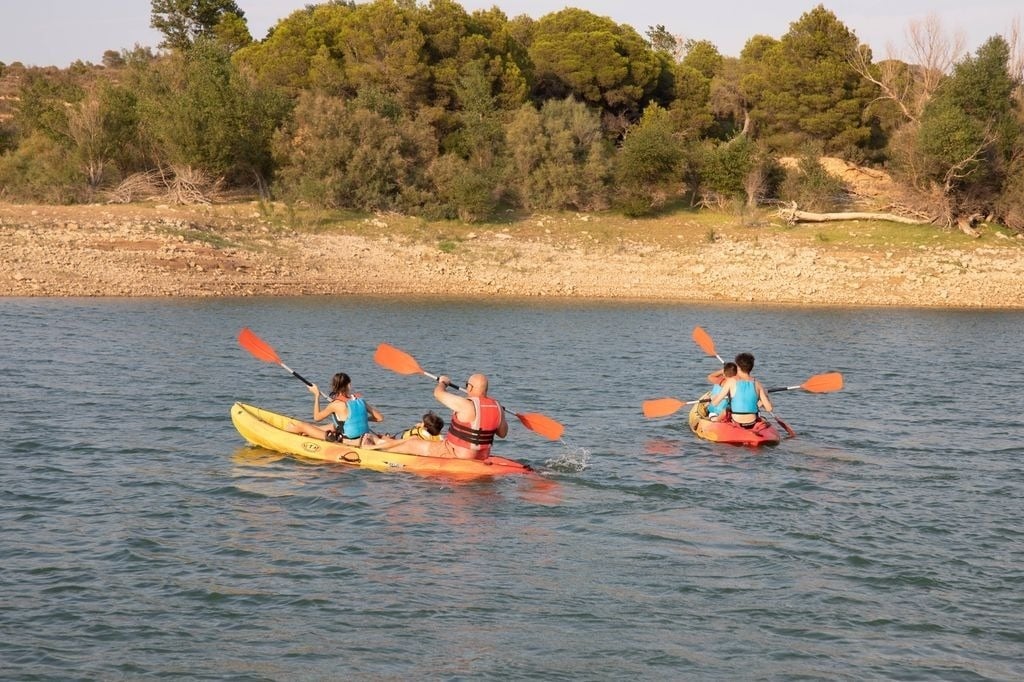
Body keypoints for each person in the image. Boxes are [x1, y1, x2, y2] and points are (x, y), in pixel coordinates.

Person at [377, 373, 508, 460]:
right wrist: (500, 414)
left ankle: (375, 446)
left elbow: (438, 394)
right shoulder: (497, 407)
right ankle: (387, 442)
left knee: (412, 442)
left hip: (454, 453)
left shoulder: (465, 404)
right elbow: (503, 434)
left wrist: (443, 383)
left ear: (470, 387)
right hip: (482, 456)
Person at [285, 372, 383, 445]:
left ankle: (291, 432)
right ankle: (310, 433)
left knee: (303, 426)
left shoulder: (335, 405)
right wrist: (361, 418)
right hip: (363, 436)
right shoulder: (359, 400)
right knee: (334, 425)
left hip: (347, 440)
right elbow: (379, 418)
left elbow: (316, 417)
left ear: (334, 386)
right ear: (349, 385)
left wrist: (316, 395)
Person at [710, 353, 773, 428]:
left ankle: (715, 419)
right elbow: (769, 408)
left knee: (724, 410)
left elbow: (715, 403)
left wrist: (713, 399)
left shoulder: (731, 381)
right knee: (762, 417)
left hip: (736, 421)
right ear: (751, 368)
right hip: (752, 423)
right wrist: (766, 395)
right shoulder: (758, 384)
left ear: (738, 367)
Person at [361, 411, 444, 451]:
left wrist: (371, 447)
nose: (420, 423)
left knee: (370, 436)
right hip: (411, 447)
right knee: (385, 438)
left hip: (400, 450)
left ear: (425, 427)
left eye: (422, 422)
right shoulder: (440, 438)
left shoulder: (415, 437)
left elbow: (393, 444)